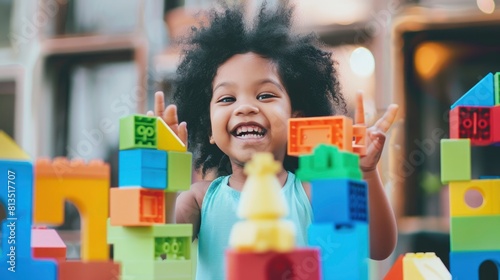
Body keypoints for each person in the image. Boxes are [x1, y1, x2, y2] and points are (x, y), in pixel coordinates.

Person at [147, 2, 398, 279]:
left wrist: (367, 173)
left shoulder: (310, 192)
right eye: (227, 98)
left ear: (297, 121)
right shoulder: (198, 199)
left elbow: (377, 246)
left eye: (265, 95)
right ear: (209, 131)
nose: (245, 107)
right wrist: (162, 171)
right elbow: (159, 252)